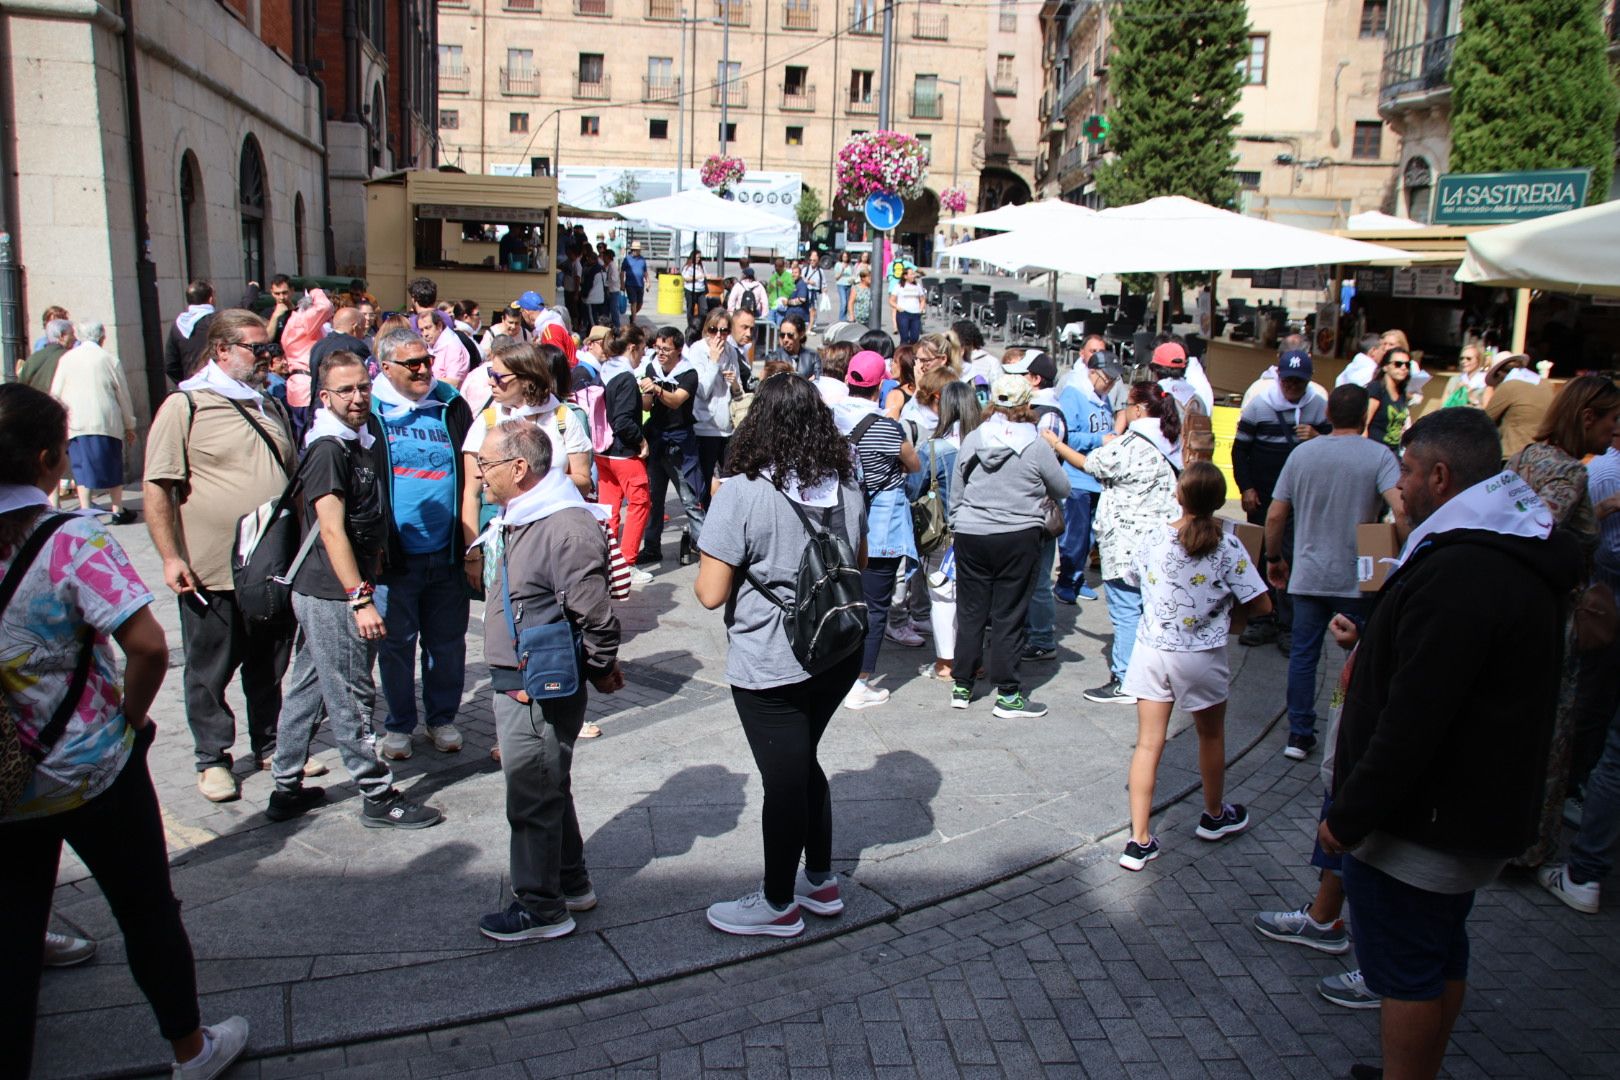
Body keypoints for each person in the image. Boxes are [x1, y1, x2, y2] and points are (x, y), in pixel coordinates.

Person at [0, 383, 252, 1080]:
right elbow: (147, 646)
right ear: (52, 459)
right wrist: (132, 721)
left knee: (11, 923)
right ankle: (189, 1048)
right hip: (88, 764)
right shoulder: (69, 538)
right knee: (144, 910)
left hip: (3, 771)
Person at [1319, 407, 1574, 1080]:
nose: (1396, 486)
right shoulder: (1500, 545)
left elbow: (1416, 716)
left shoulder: (1463, 569)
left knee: (1406, 970)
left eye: (1405, 471)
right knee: (1438, 953)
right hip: (1462, 811)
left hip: (1423, 824)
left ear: (1439, 475)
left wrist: (1348, 815)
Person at [695, 373, 865, 937]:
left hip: (772, 659)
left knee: (784, 780)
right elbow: (853, 558)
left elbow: (710, 593)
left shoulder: (742, 490)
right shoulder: (849, 478)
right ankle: (819, 880)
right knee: (801, 762)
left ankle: (776, 904)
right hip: (838, 649)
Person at [266, 352, 443, 829]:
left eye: (362, 387)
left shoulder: (357, 441)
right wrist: (360, 598)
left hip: (330, 590)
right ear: (324, 397)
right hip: (332, 592)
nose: (357, 397)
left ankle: (285, 786)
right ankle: (377, 794)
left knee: (308, 686)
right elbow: (330, 530)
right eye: (345, 390)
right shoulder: (329, 447)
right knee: (352, 694)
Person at [474, 422, 624, 941]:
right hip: (522, 674)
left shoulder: (564, 525)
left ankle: (541, 907)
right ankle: (570, 883)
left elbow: (595, 613)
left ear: (519, 468)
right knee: (547, 782)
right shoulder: (524, 514)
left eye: (486, 466)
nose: (479, 476)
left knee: (532, 791)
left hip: (537, 682)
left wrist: (601, 666)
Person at [143, 310, 299, 802]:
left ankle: (271, 745)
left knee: (268, 664)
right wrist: (171, 557)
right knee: (210, 667)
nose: (265, 358)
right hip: (211, 569)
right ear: (222, 351)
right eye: (256, 349)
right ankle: (212, 758)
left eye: (267, 348)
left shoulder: (267, 404)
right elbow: (158, 485)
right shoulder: (185, 405)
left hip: (268, 566)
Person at [1118, 462, 1271, 870]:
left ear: (1178, 495)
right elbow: (1262, 604)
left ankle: (1138, 839)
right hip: (1201, 654)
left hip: (1151, 651)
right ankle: (1214, 814)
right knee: (1210, 736)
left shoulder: (1153, 538)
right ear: (1220, 501)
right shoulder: (1229, 547)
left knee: (1148, 743)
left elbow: (1132, 578)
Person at [1506, 375, 1620, 869]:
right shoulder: (1569, 470)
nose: (1615, 432)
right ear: (1588, 417)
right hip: (1553, 621)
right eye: (1613, 420)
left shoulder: (1526, 457)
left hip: (1519, 616)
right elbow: (1536, 537)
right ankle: (1528, 846)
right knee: (1550, 734)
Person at [1265, 385, 1402, 761]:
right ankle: (1349, 731)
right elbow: (1401, 510)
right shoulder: (1380, 456)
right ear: (1365, 416)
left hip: (1308, 572)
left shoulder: (1303, 454)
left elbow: (1276, 514)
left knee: (1304, 655)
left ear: (1327, 413)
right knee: (1357, 656)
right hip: (1358, 576)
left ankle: (1299, 733)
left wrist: (1274, 557)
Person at [368, 327, 474, 761]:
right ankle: (398, 724)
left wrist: (472, 544)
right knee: (395, 645)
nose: (423, 370)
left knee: (447, 643)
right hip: (394, 556)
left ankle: (441, 718)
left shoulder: (450, 403)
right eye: (411, 364)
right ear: (385, 367)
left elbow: (474, 474)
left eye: (427, 360)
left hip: (447, 551)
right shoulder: (369, 411)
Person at [948, 375, 1071, 717]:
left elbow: (957, 488)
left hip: (972, 533)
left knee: (971, 611)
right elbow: (1062, 488)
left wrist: (958, 519)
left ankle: (962, 685)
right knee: (1008, 614)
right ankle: (1008, 694)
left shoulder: (975, 437)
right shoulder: (1035, 444)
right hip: (1018, 535)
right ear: (1025, 404)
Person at [1081, 383, 1182, 705]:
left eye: (1126, 405)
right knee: (1151, 609)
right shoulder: (1171, 440)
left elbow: (1092, 464)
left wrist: (1054, 442)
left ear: (1138, 409)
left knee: (1126, 611)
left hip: (1127, 542)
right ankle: (1153, 674)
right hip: (1162, 538)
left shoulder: (1130, 444)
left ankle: (1125, 679)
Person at [835, 350, 921, 710]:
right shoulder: (887, 426)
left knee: (838, 597)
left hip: (838, 519)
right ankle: (860, 682)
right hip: (879, 526)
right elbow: (913, 463)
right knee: (874, 605)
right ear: (879, 385)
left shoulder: (830, 417)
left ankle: (835, 669)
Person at [1233, 349, 1330, 652]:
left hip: (1300, 498)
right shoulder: (1259, 406)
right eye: (1287, 381)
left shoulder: (1318, 407)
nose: (1292, 387)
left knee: (1290, 558)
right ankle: (1261, 618)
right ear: (1279, 378)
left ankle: (1287, 623)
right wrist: (1246, 488)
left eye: (1298, 383)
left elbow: (1335, 444)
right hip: (1264, 495)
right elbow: (1240, 451)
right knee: (1261, 556)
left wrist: (1317, 436)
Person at [910, 381, 981, 682]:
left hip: (944, 533)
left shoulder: (933, 449)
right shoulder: (987, 442)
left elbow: (914, 487)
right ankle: (974, 661)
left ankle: (946, 664)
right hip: (983, 531)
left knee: (942, 598)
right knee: (975, 599)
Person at [1005, 351, 1066, 662]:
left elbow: (1049, 468)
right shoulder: (1036, 409)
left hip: (1040, 508)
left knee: (1039, 576)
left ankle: (1041, 637)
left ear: (1034, 379)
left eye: (1019, 375)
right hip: (1025, 505)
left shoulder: (1049, 414)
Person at [49, 320, 137, 523]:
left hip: (76, 420)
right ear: (102, 337)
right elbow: (123, 394)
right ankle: (117, 508)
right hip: (105, 420)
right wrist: (129, 423)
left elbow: (55, 393)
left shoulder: (67, 359)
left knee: (81, 465)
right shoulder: (109, 359)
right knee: (113, 463)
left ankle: (86, 508)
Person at [1051, 350, 1120, 604]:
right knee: (1075, 535)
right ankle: (1066, 581)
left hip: (1097, 477)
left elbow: (1108, 427)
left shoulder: (1103, 397)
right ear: (1092, 372)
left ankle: (1077, 578)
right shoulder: (1074, 394)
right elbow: (1066, 436)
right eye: (1107, 378)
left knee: (1090, 534)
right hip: (1077, 477)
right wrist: (1099, 439)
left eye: (1114, 379)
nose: (1110, 383)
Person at [638, 326, 706, 567]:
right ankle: (652, 547)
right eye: (658, 348)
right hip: (656, 440)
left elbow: (677, 400)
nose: (661, 353)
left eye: (666, 349)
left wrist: (656, 388)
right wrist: (646, 392)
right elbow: (647, 407)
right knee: (653, 499)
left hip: (680, 443)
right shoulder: (651, 367)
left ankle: (704, 549)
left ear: (678, 350)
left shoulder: (689, 373)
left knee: (690, 498)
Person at [595, 326, 654, 586]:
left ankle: (608, 560)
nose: (643, 356)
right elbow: (623, 421)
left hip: (602, 451)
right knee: (640, 504)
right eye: (642, 350)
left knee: (609, 509)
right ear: (631, 348)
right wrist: (641, 441)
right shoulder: (626, 378)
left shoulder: (603, 370)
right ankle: (627, 563)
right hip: (623, 453)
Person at [688, 307, 747, 505]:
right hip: (705, 427)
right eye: (714, 330)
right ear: (706, 329)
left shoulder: (730, 351)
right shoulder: (697, 350)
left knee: (733, 479)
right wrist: (713, 362)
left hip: (727, 427)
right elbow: (701, 390)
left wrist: (735, 384)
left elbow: (738, 393)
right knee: (704, 483)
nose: (719, 336)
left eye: (724, 331)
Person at [1483, 352, 1557, 460]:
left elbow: (1485, 421)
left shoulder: (1509, 386)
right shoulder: (1546, 384)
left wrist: (1488, 392)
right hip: (1542, 455)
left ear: (1500, 373)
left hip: (1513, 456)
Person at [165, 280, 217, 383]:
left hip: (191, 387)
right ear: (211, 299)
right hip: (218, 386)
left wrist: (187, 382)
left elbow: (170, 365)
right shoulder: (218, 320)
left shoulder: (178, 324)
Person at [1365, 347, 1413, 455]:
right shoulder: (1376, 388)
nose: (1403, 368)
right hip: (1374, 452)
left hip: (1393, 453)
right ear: (1385, 367)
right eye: (1398, 364)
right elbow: (1364, 424)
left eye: (1407, 364)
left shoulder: (1402, 392)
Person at [417, 308, 471, 389]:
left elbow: (454, 383)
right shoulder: (431, 345)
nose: (425, 334)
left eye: (428, 328)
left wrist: (425, 381)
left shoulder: (453, 347)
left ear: (439, 326)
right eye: (422, 330)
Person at [18, 318, 74, 391]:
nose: (74, 338)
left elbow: (21, 386)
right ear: (62, 336)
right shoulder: (69, 357)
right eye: (72, 334)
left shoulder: (33, 358)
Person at [1440, 341, 1487, 409]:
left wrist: (1473, 399)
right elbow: (1442, 407)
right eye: (1462, 358)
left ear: (1478, 360)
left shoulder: (1485, 383)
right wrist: (1455, 393)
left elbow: (1488, 412)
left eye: (1469, 358)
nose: (1464, 361)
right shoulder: (1454, 380)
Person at [773, 313, 819, 379]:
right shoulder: (773, 358)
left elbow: (819, 380)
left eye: (790, 335)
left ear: (801, 334)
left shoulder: (813, 357)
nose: (785, 339)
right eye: (782, 335)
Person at [890, 266, 925, 345]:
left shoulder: (917, 286)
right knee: (904, 337)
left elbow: (922, 299)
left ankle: (912, 353)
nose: (913, 276)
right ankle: (903, 353)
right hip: (903, 314)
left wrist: (921, 309)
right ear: (905, 276)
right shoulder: (899, 286)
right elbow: (891, 301)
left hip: (916, 314)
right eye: (911, 274)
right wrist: (898, 307)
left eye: (913, 274)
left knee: (915, 337)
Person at [766, 256, 795, 327]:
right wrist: (770, 287)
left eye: (779, 266)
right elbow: (768, 290)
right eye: (776, 266)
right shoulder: (774, 276)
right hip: (772, 305)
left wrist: (783, 285)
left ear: (783, 266)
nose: (777, 268)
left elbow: (791, 290)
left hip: (781, 306)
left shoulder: (788, 276)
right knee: (770, 326)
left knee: (780, 326)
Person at [622, 240, 648, 318]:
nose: (637, 251)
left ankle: (633, 315)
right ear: (632, 250)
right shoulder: (627, 259)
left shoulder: (642, 259)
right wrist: (622, 284)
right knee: (634, 302)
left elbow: (645, 272)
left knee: (640, 303)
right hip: (630, 284)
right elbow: (622, 272)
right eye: (636, 249)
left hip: (640, 284)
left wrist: (648, 282)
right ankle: (633, 320)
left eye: (639, 250)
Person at [681, 249, 708, 322]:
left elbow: (704, 275)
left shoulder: (701, 266)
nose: (698, 259)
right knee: (690, 309)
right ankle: (691, 324)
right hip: (690, 290)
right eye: (696, 257)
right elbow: (686, 278)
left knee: (704, 308)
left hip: (701, 290)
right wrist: (697, 277)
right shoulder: (688, 267)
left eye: (699, 257)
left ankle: (701, 323)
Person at [834, 251, 856, 322]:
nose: (845, 258)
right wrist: (842, 270)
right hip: (841, 284)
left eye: (846, 257)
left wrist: (853, 280)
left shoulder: (850, 265)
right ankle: (841, 319)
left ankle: (844, 317)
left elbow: (853, 275)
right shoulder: (838, 264)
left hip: (848, 285)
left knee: (847, 303)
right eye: (843, 257)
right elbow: (836, 277)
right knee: (843, 302)